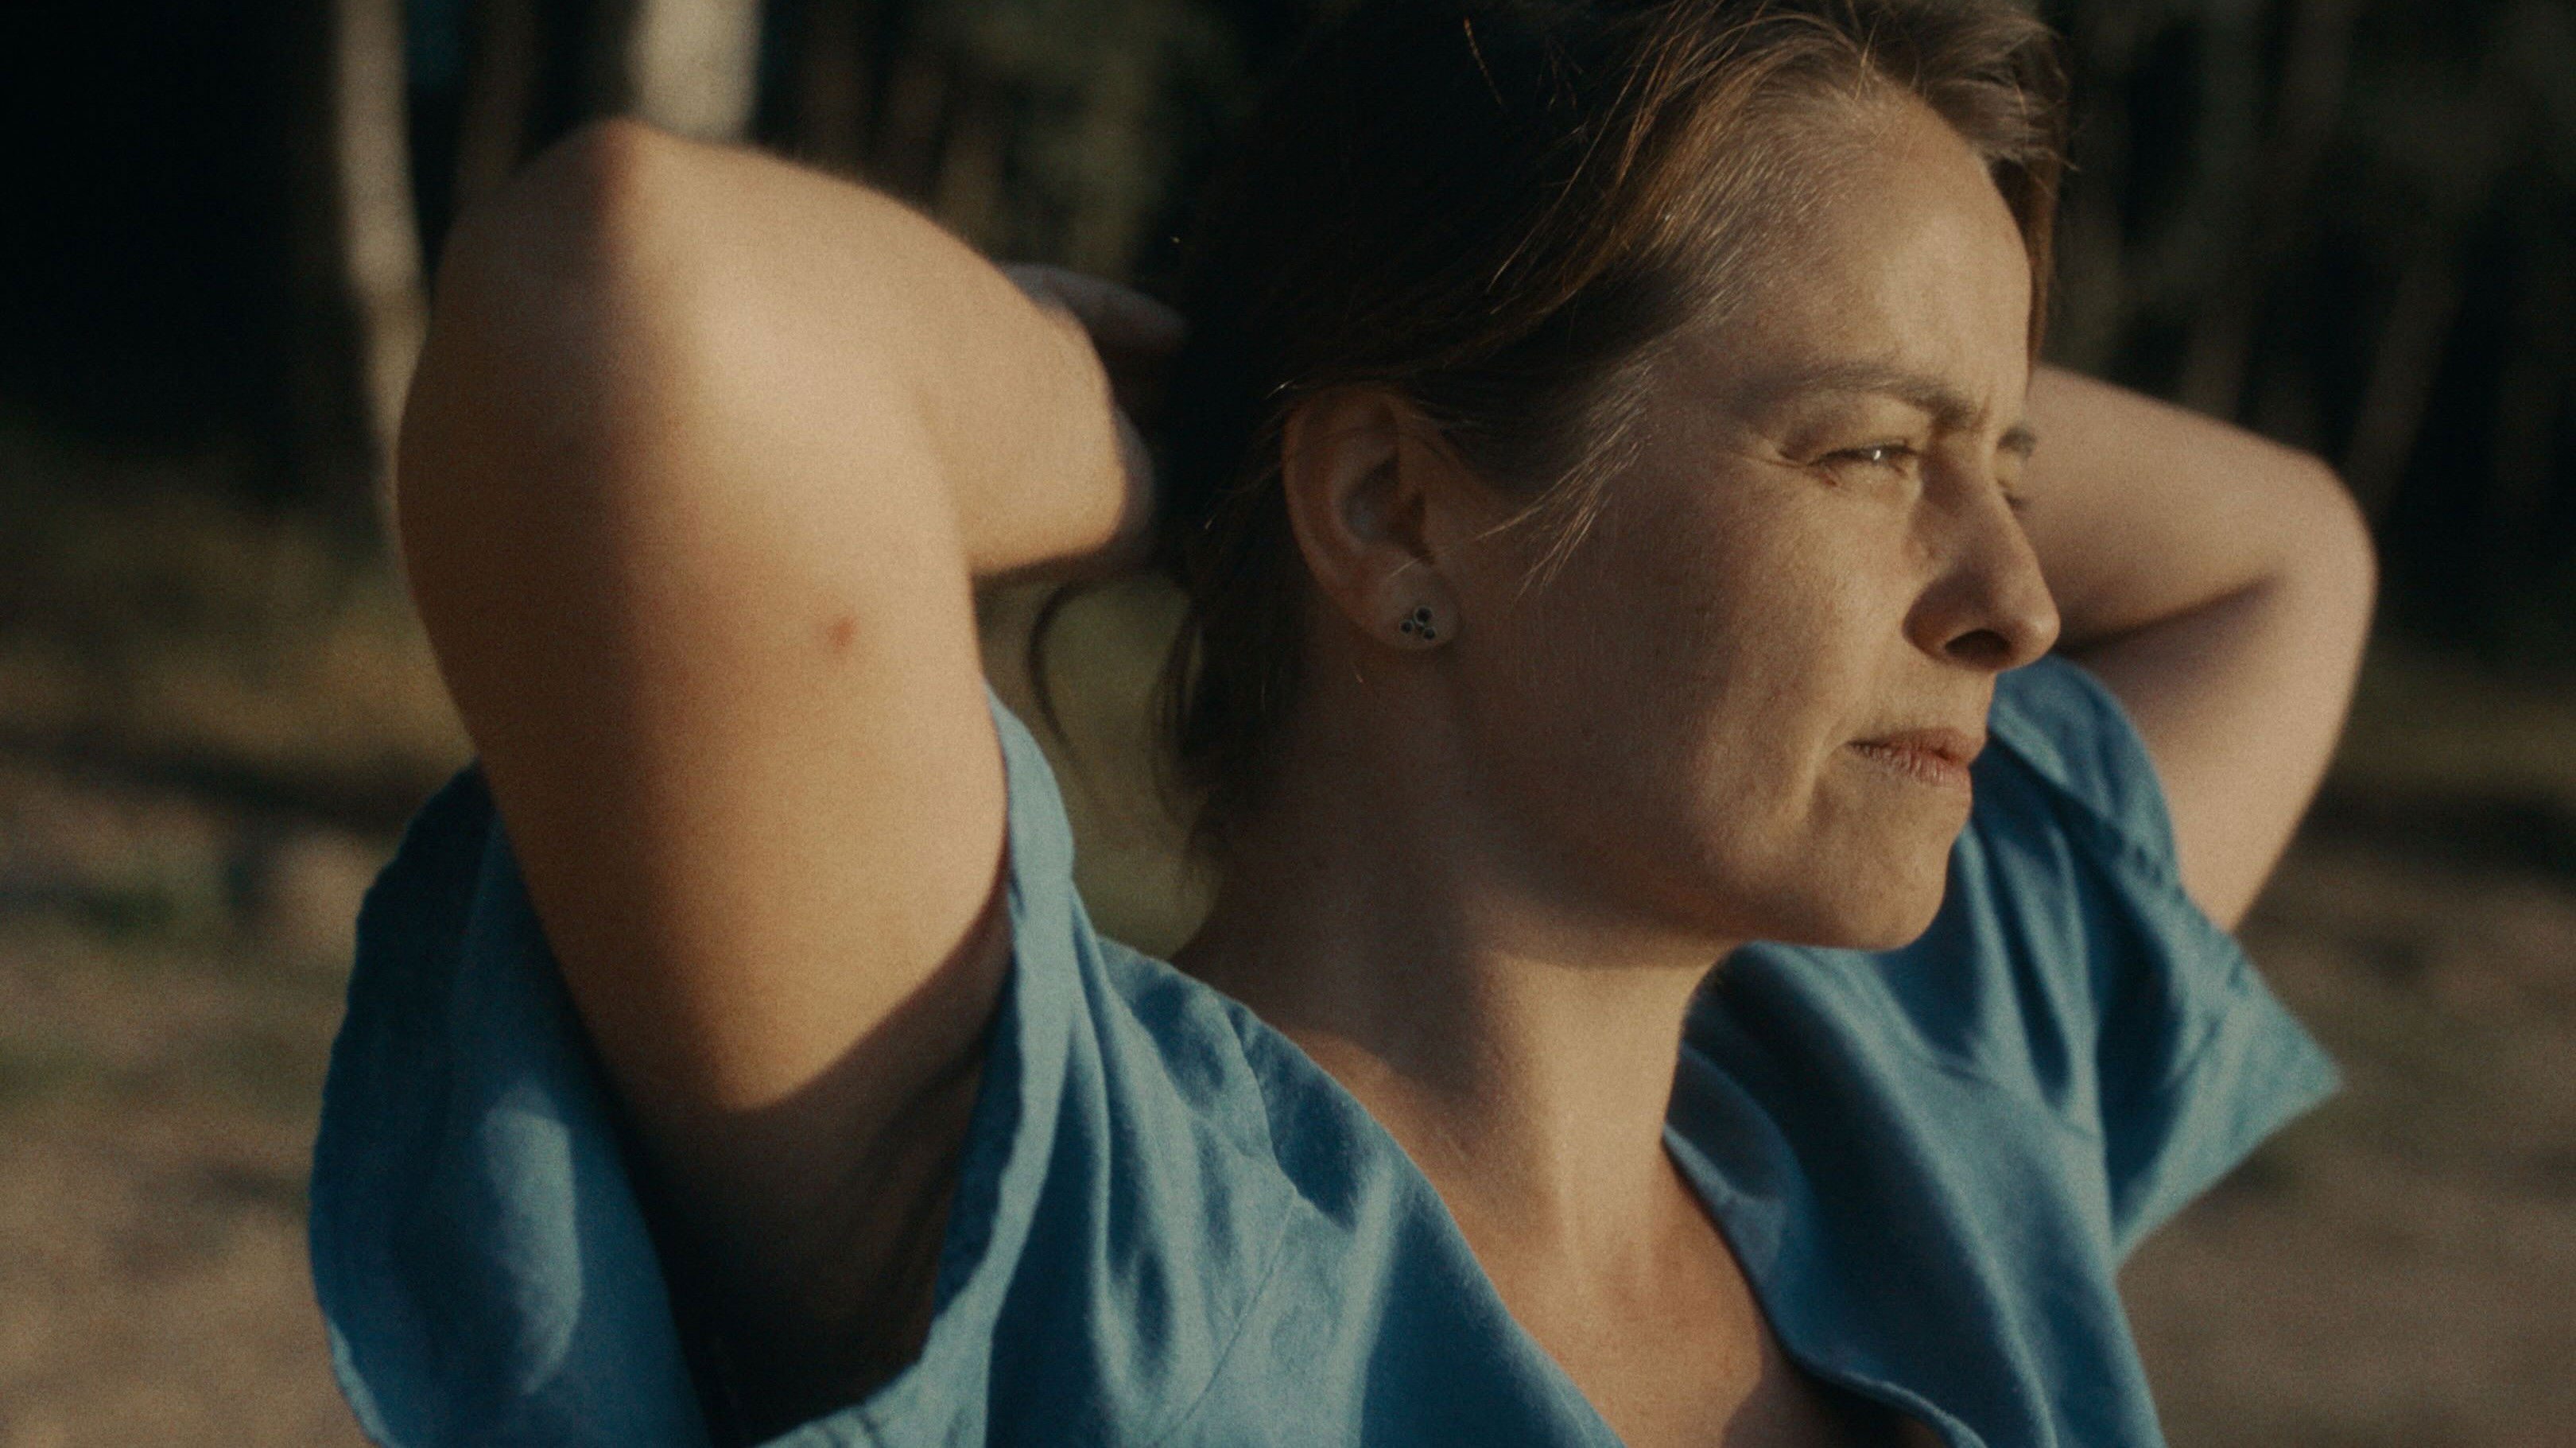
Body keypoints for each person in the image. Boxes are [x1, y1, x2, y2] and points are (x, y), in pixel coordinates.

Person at [308, 0, 2376, 1443]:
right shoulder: (1074, 1226)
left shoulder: (1910, 1113)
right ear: (1393, 509)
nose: (2019, 601)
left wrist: (1901, 338)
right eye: (1869, 458)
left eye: (2010, 474)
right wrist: (1176, 427)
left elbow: (2283, 559)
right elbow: (631, 296)